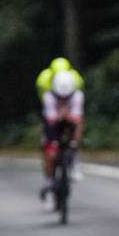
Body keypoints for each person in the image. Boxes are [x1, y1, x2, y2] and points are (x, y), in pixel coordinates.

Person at [40, 70, 85, 205]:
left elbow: (77, 118)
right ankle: (48, 182)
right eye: (60, 97)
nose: (64, 100)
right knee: (50, 154)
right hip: (52, 126)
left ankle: (74, 160)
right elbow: (51, 120)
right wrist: (62, 115)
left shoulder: (78, 96)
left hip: (69, 124)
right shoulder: (48, 97)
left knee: (78, 127)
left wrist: (66, 115)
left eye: (67, 97)